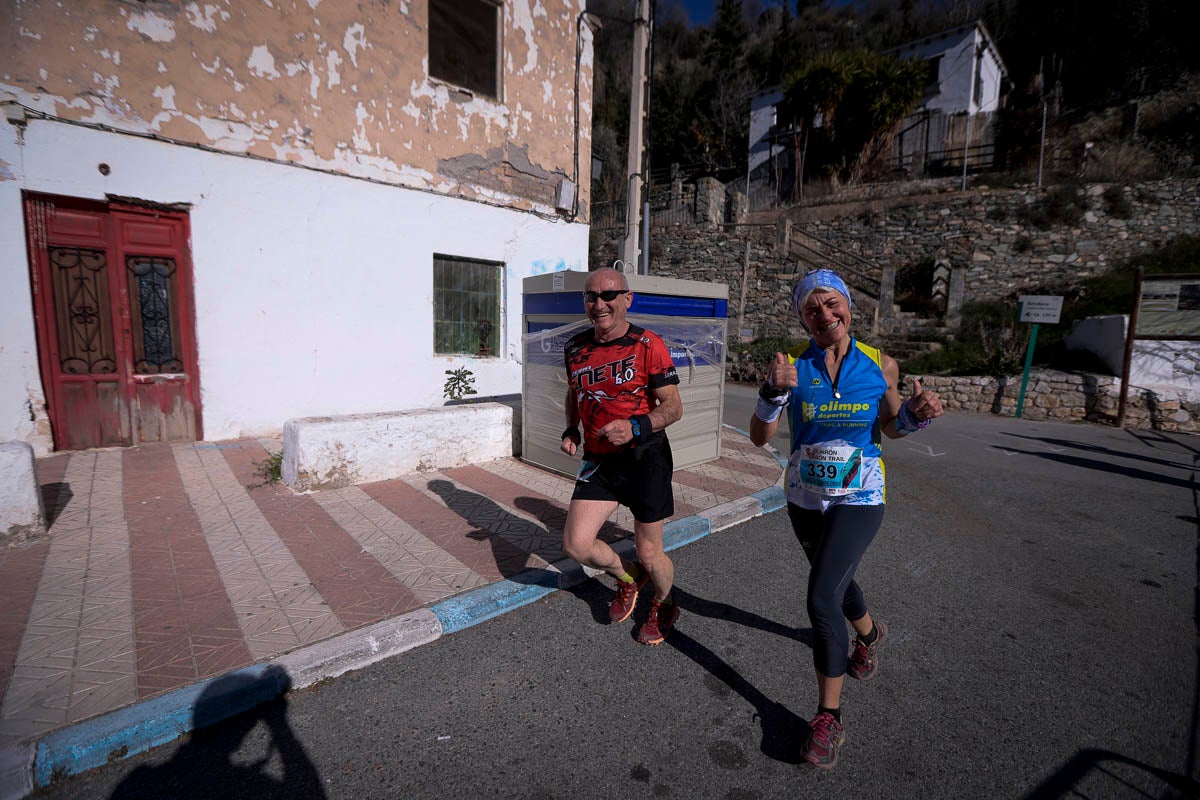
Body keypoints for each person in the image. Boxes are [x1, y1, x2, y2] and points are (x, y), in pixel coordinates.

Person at [749, 268, 944, 769]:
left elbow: (892, 426)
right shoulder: (792, 368)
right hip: (805, 497)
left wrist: (917, 414)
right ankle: (872, 635)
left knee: (820, 597)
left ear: (849, 307)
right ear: (802, 318)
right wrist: (771, 393)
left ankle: (827, 718)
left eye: (832, 304)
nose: (825, 315)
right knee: (835, 580)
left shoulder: (881, 365)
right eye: (812, 309)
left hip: (860, 492)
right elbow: (758, 438)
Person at [560, 267, 684, 645]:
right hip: (600, 460)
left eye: (609, 295)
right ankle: (627, 576)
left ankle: (665, 602)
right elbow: (575, 393)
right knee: (576, 545)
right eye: (591, 296)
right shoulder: (575, 347)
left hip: (646, 457)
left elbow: (674, 407)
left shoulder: (648, 345)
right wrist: (572, 429)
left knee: (650, 552)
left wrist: (636, 426)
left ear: (627, 299)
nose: (599, 304)